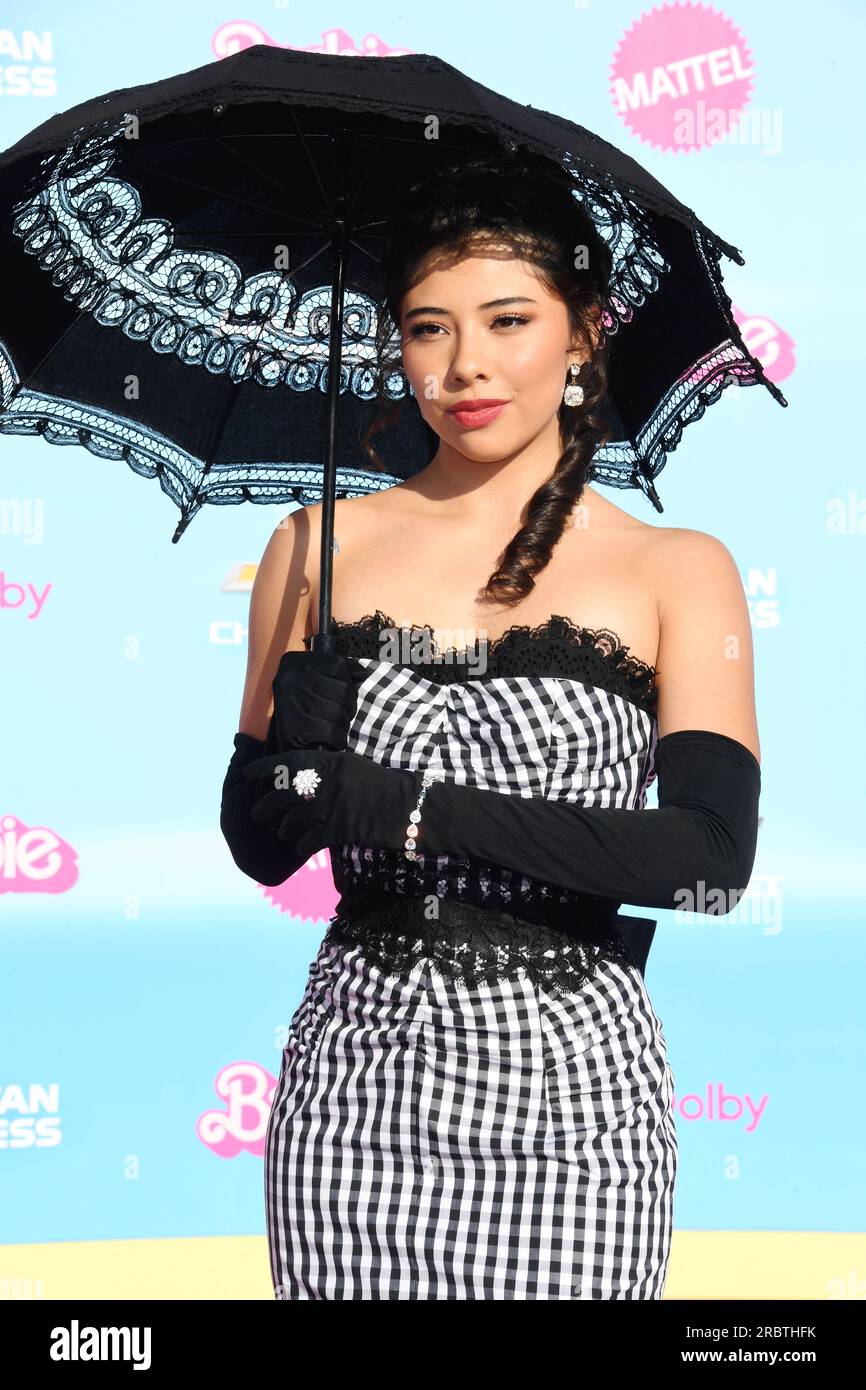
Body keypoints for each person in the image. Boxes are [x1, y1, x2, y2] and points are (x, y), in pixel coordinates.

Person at [220, 150, 762, 1300]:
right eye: (426, 328)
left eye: (506, 319)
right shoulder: (313, 547)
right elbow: (260, 838)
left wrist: (403, 807)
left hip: (573, 1097)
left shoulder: (676, 569)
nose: (463, 365)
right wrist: (288, 760)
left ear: (582, 332)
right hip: (352, 1088)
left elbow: (708, 859)